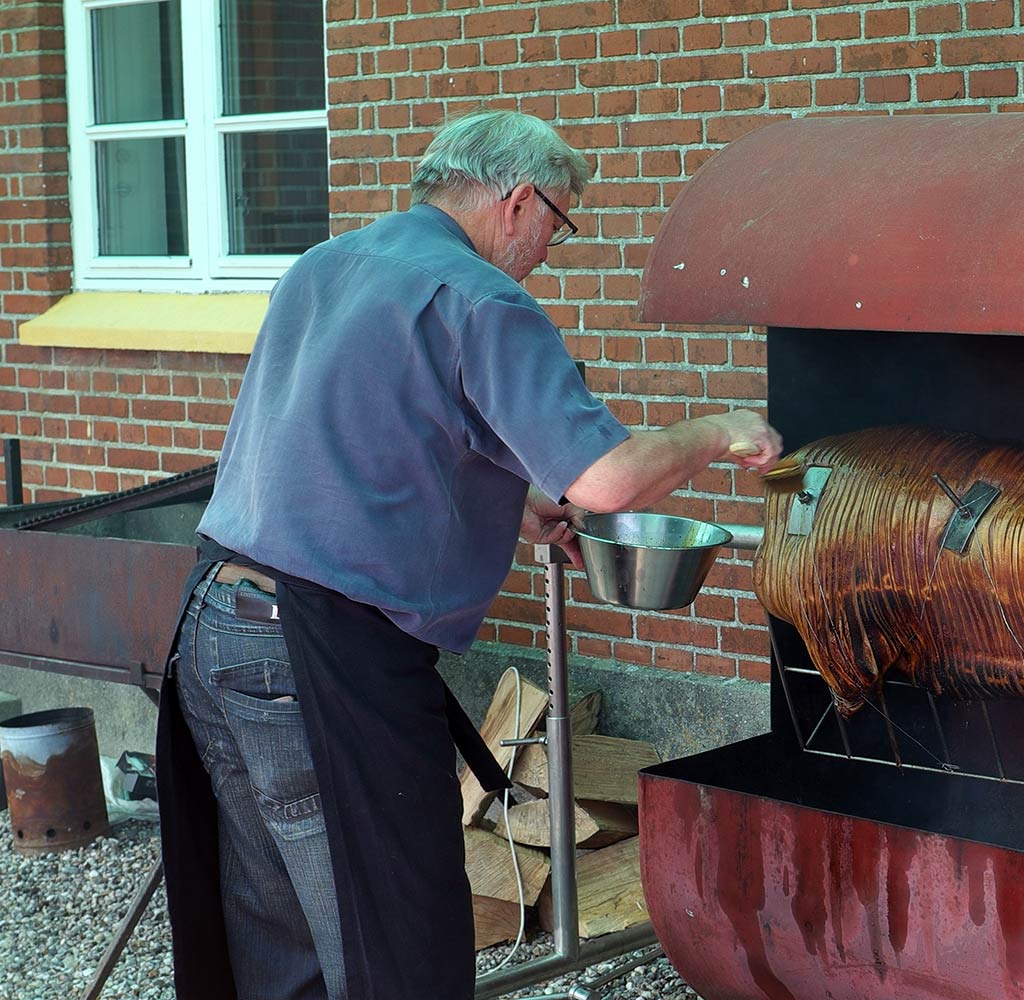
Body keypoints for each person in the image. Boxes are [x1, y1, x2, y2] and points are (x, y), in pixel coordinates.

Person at [154, 110, 782, 1000]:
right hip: (317, 660)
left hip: (215, 628)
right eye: (558, 223)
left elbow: (353, 433)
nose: (551, 250)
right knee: (394, 944)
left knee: (277, 937)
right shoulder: (482, 299)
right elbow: (605, 481)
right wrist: (719, 428)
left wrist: (511, 503)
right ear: (518, 199)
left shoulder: (328, 264)